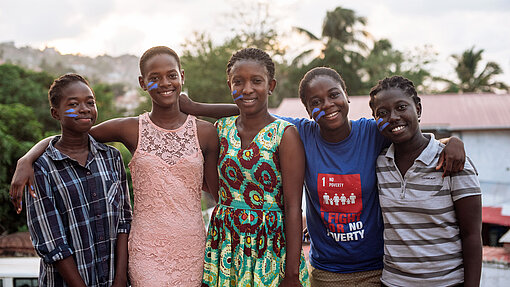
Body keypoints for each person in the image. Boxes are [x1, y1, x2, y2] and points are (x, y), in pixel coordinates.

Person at [180, 66, 466, 286]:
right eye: (316, 101)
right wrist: (195, 109)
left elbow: (405, 131)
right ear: (307, 109)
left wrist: (448, 141)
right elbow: (252, 111)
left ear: (346, 96)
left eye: (333, 95)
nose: (327, 105)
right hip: (326, 271)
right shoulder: (300, 133)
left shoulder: (371, 132)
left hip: (378, 269)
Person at [10, 46, 221, 286]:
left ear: (182, 76)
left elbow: (220, 196)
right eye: (154, 78)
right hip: (147, 251)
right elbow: (73, 135)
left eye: (171, 75)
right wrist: (27, 158)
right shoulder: (128, 128)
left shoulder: (206, 133)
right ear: (142, 83)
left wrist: (198, 108)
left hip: (192, 246)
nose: (164, 83)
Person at [201, 48, 309, 286]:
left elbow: (293, 207)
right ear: (229, 85)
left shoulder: (285, 135)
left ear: (271, 86)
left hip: (269, 246)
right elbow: (214, 189)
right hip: (226, 243)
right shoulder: (220, 129)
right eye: (238, 82)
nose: (247, 89)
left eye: (256, 81)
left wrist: (291, 274)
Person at [369, 75, 482, 286]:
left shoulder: (454, 163)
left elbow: (472, 236)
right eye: (382, 113)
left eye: (401, 107)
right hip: (393, 282)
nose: (393, 117)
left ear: (418, 109)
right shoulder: (379, 164)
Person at [26, 74, 132, 286]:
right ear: (55, 113)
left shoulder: (111, 157)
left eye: (90, 102)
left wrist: (120, 278)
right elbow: (51, 243)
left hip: (113, 280)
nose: (84, 108)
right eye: (73, 104)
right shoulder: (41, 168)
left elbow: (124, 221)